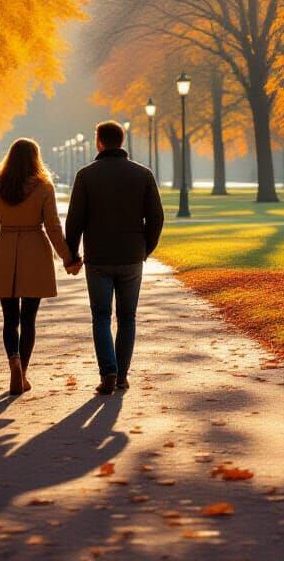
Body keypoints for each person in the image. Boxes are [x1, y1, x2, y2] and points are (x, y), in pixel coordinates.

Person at [66, 120, 164, 395]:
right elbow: (156, 217)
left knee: (100, 315)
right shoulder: (143, 174)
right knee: (127, 316)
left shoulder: (86, 175)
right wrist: (145, 248)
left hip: (98, 257)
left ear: (99, 142)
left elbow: (75, 221)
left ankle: (108, 371)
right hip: (132, 255)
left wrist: (71, 254)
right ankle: (121, 375)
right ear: (122, 141)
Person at [0, 138, 82, 395]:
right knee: (29, 319)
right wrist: (68, 258)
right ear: (36, 158)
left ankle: (13, 359)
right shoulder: (43, 187)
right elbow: (54, 227)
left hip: (4, 251)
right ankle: (22, 372)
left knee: (9, 319)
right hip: (35, 250)